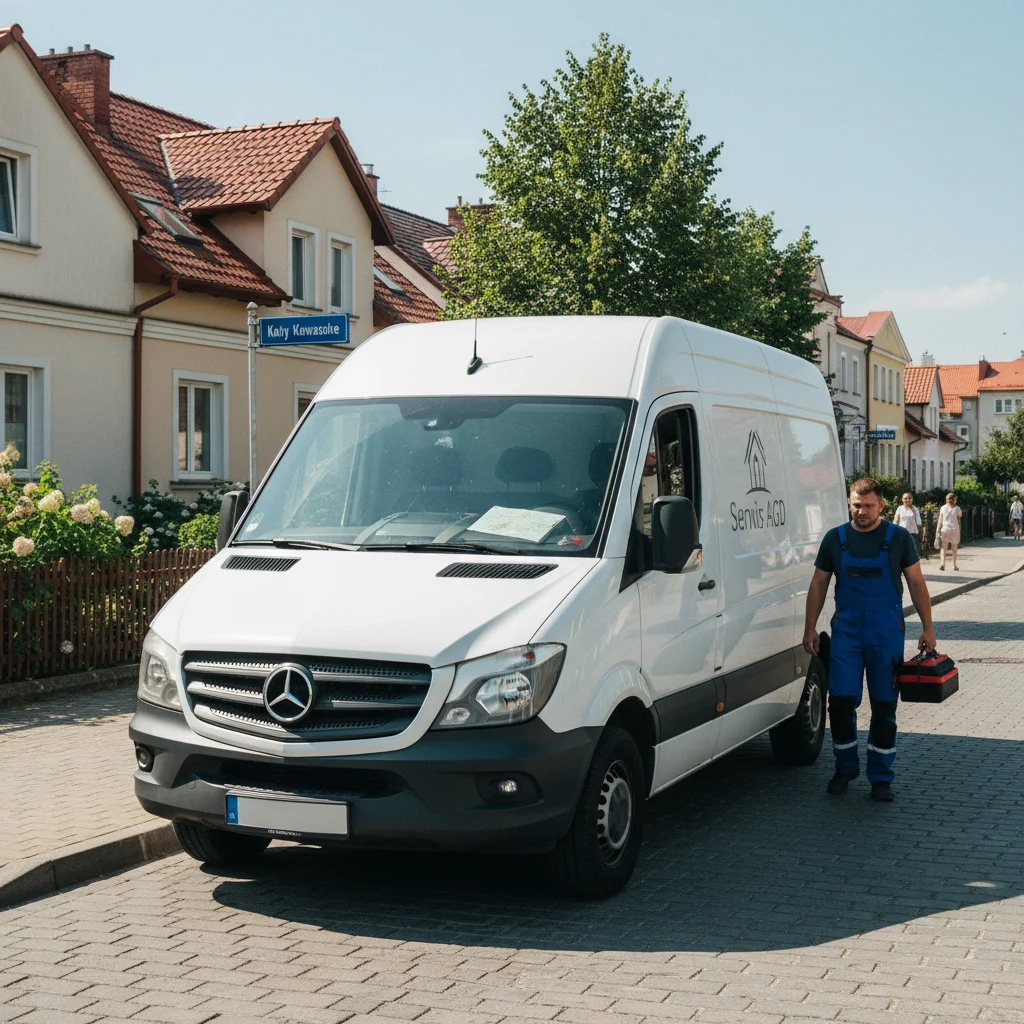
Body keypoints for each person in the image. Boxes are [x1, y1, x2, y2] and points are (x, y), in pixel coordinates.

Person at [803, 478, 935, 802]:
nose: (861, 511)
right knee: (841, 704)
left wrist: (928, 629)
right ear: (850, 503)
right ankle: (845, 768)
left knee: (884, 707)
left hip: (886, 633)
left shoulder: (899, 538)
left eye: (868, 506)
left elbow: (917, 584)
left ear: (881, 506)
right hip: (847, 633)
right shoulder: (835, 539)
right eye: (856, 505)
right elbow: (819, 585)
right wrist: (809, 627)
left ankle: (880, 778)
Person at [935, 492, 962, 570]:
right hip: (954, 529)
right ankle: (954, 565)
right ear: (954, 500)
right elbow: (960, 515)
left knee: (943, 548)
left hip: (945, 529)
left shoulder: (943, 508)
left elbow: (940, 520)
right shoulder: (957, 508)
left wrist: (938, 530)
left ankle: (942, 564)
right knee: (954, 548)